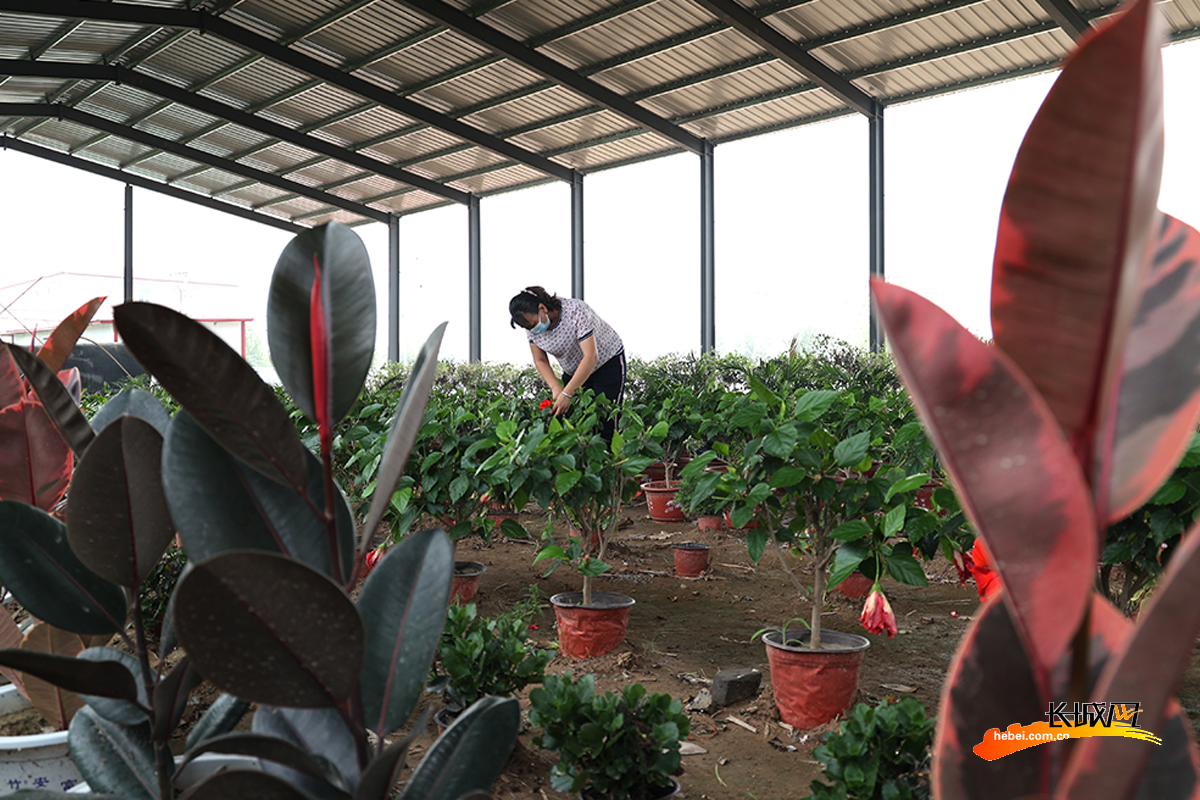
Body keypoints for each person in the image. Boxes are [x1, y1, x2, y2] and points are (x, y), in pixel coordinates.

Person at [509, 286, 625, 441]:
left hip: (607, 363)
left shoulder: (576, 311)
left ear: (542, 308)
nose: (532, 330)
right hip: (574, 371)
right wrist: (556, 388)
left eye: (532, 324)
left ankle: (611, 462)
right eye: (527, 327)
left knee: (607, 420)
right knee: (576, 423)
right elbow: (540, 360)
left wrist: (567, 392)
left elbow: (590, 357)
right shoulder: (531, 327)